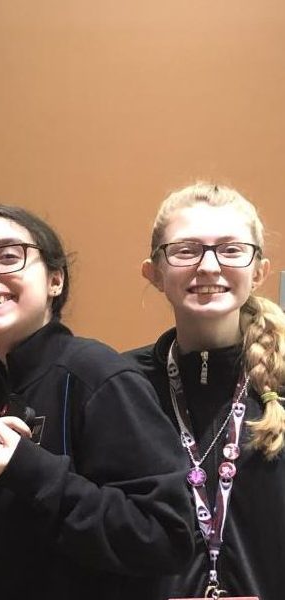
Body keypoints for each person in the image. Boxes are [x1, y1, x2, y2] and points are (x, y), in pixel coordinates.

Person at [0, 203, 195, 600]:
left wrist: (26, 469)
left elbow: (165, 537)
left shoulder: (100, 378)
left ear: (55, 280)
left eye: (7, 256)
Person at [128, 183, 285, 599]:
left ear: (260, 271)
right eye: (186, 250)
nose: (210, 266)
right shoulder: (119, 385)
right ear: (154, 273)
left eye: (232, 249)